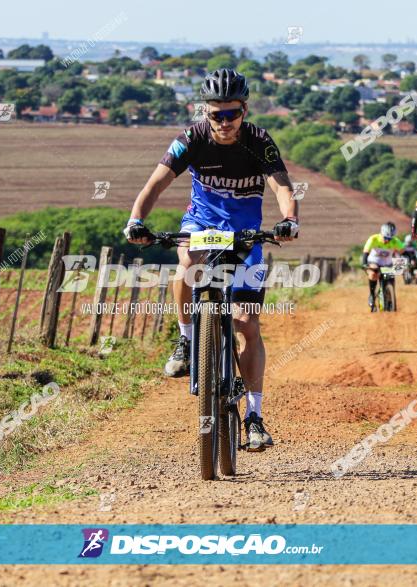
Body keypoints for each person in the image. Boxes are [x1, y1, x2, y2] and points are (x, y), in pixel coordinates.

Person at [123, 68, 298, 452]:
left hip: (245, 236)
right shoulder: (191, 139)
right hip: (200, 226)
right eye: (215, 114)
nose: (223, 122)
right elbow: (155, 183)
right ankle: (187, 341)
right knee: (187, 265)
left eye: (231, 114)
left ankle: (254, 417)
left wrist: (289, 220)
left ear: (244, 110)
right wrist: (137, 220)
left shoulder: (258, 141)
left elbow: (282, 185)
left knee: (247, 324)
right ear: (204, 111)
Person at [361, 222, 404, 311]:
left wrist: (402, 264)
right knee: (373, 274)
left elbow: (401, 252)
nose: (387, 240)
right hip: (374, 261)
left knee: (391, 278)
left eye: (389, 239)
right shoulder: (373, 239)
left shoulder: (396, 241)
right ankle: (372, 295)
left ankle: (390, 298)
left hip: (387, 264)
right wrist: (364, 264)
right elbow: (365, 252)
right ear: (381, 234)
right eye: (385, 238)